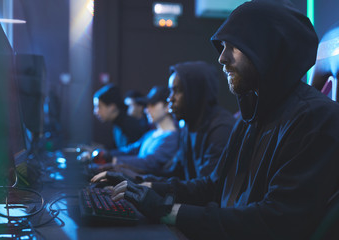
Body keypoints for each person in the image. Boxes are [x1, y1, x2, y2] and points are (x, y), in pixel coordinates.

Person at [92, 1, 339, 239]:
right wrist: (141, 187)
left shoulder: (316, 118)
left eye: (234, 46)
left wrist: (165, 210)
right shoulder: (253, 115)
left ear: (268, 48)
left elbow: (274, 221)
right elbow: (215, 186)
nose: (221, 58)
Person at [91, 86, 179, 176]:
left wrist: (113, 159)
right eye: (146, 106)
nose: (147, 110)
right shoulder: (151, 134)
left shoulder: (172, 137)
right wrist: (105, 154)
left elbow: (149, 162)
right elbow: (131, 150)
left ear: (167, 107)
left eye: (152, 105)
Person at [92, 84, 147, 149]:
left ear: (112, 107)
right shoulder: (117, 124)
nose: (95, 112)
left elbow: (131, 154)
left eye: (99, 107)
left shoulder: (130, 126)